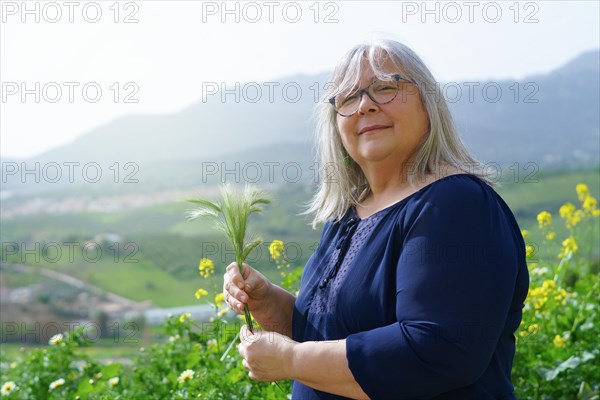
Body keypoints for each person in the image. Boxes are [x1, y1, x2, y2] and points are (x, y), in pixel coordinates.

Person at [223, 39, 529, 400]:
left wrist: (290, 359)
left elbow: (436, 350)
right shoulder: (347, 215)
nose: (365, 105)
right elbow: (331, 338)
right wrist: (269, 303)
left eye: (385, 87)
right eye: (348, 98)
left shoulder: (455, 204)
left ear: (428, 103)